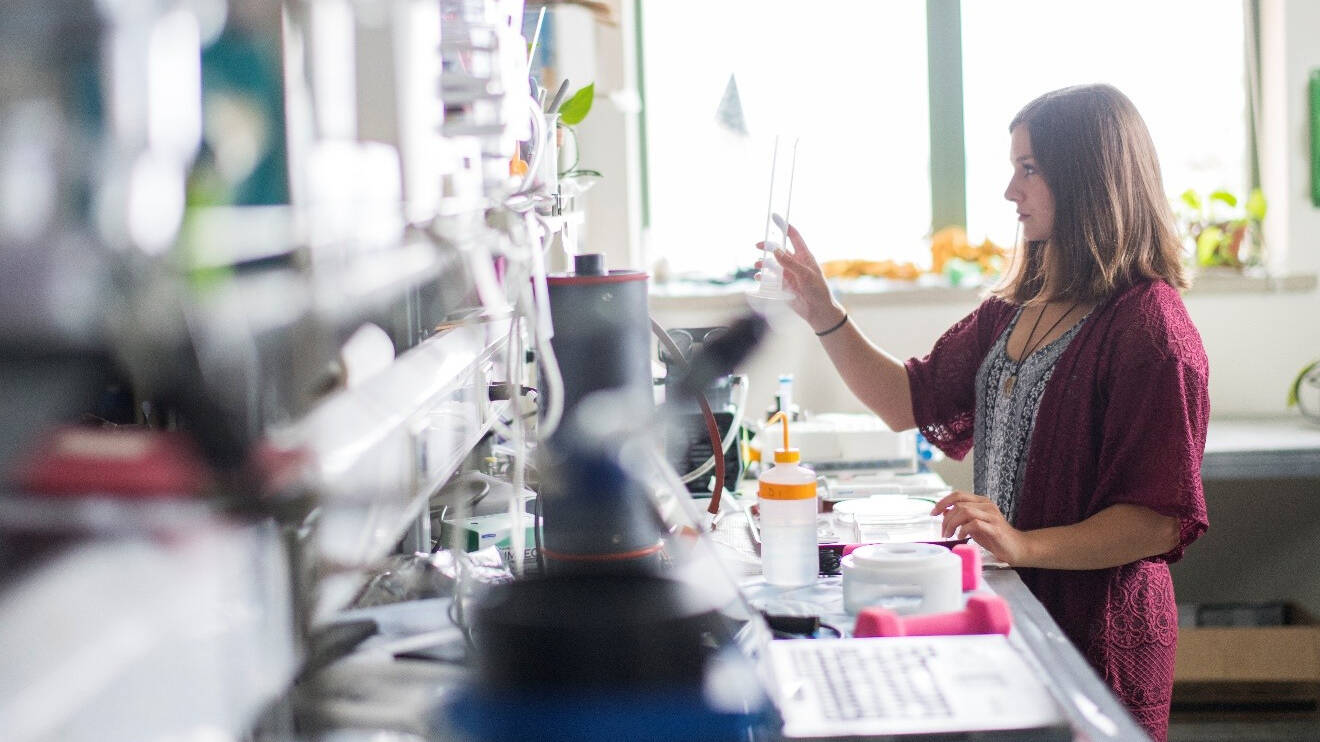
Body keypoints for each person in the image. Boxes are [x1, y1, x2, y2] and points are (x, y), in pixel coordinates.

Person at [759, 84, 1208, 742]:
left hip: (1096, 639)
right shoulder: (1018, 306)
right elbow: (903, 401)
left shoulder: (1153, 333)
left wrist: (1023, 544)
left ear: (1088, 175)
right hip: (1016, 611)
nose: (1009, 192)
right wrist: (823, 312)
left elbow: (1156, 522)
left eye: (1028, 169)